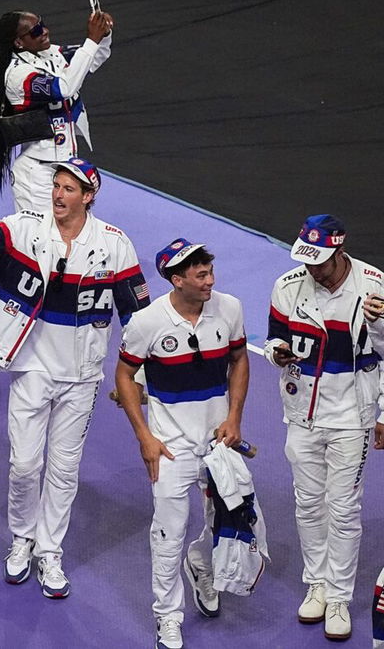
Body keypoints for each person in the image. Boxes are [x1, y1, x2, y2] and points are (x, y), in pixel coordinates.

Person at [0, 157, 149, 596]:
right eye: (56, 185)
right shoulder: (22, 227)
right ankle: (22, 537)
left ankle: (49, 550)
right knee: (24, 464)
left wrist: (137, 377)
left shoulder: (116, 245)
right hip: (32, 369)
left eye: (68, 189)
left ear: (88, 196)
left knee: (64, 469)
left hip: (82, 376)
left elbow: (139, 318)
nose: (58, 194)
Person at [114, 240, 249, 649]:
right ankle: (167, 616)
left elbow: (240, 360)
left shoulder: (230, 309)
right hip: (170, 449)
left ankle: (201, 564)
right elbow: (123, 376)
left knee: (225, 523)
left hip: (219, 445)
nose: (211, 281)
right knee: (168, 533)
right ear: (177, 280)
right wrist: (145, 437)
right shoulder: (146, 322)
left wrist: (234, 417)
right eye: (201, 275)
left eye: (210, 271)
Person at [264, 214, 384, 641]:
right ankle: (315, 583)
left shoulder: (375, 285)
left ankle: (339, 597)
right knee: (308, 504)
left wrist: (383, 412)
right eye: (308, 259)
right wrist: (275, 352)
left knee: (345, 509)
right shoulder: (288, 284)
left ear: (341, 248)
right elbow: (274, 336)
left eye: (322, 261)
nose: (314, 269)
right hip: (302, 413)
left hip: (352, 416)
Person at [0, 7, 113, 213]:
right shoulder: (17, 74)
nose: (44, 31)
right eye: (35, 30)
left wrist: (104, 35)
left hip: (67, 165)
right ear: (19, 42)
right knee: (37, 238)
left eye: (42, 23)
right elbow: (65, 88)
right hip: (37, 172)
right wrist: (91, 40)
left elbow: (92, 60)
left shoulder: (54, 54)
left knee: (67, 234)